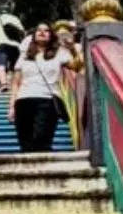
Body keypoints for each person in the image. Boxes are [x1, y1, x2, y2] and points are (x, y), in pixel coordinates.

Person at [7, 23, 74, 152]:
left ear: (51, 35)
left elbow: (76, 67)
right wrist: (11, 106)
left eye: (46, 30)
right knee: (25, 143)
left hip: (47, 100)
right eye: (39, 30)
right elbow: (16, 82)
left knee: (42, 140)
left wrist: (72, 49)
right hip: (23, 100)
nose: (42, 32)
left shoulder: (60, 52)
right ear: (34, 35)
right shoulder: (25, 55)